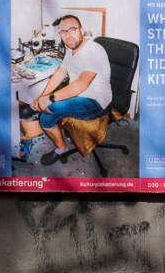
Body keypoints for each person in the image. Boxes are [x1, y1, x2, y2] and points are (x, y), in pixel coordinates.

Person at [29, 14, 115, 166]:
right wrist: (42, 97)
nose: (68, 35)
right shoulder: (71, 48)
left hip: (95, 102)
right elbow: (60, 73)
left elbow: (81, 84)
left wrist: (46, 100)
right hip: (78, 95)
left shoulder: (94, 50)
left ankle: (61, 149)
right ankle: (45, 112)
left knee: (45, 117)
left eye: (72, 30)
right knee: (46, 103)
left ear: (82, 30)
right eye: (63, 32)